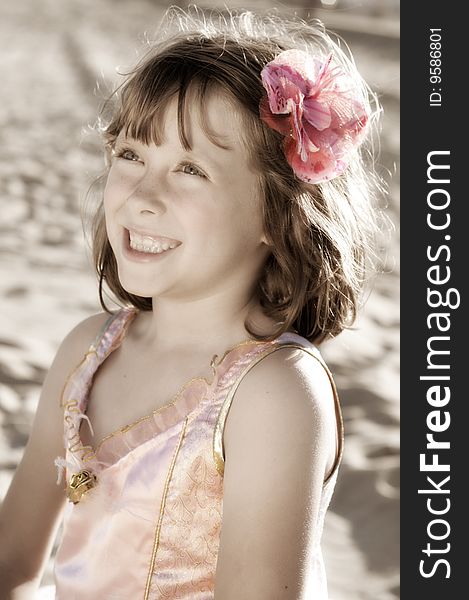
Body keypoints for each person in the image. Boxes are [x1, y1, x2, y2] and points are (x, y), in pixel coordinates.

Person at [0, 6, 382, 599]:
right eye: (131, 155)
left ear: (275, 214)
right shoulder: (89, 351)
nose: (143, 196)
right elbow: (14, 564)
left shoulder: (273, 393)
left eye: (190, 169)